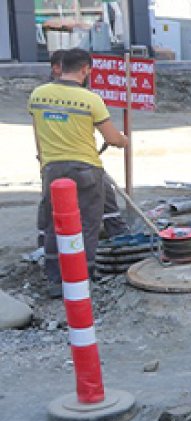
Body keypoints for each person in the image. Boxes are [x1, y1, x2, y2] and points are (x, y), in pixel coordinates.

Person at [28, 48, 128, 297]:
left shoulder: (39, 95)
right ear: (85, 69)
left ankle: (55, 280)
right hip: (85, 169)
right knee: (87, 224)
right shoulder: (90, 100)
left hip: (52, 169)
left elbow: (38, 133)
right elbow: (112, 138)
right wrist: (123, 141)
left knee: (55, 223)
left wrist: (44, 161)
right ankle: (82, 278)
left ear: (61, 66)